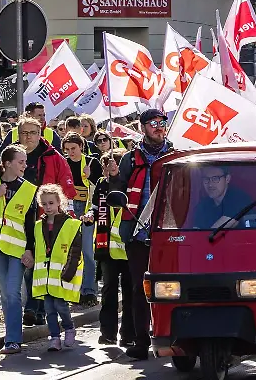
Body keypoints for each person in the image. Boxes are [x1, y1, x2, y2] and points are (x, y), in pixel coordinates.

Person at [111, 109, 174, 360]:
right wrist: (114, 178)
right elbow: (119, 193)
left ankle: (173, 336)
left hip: (170, 233)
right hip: (138, 232)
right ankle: (140, 340)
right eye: (154, 123)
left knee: (171, 287)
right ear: (143, 127)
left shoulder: (175, 154)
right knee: (140, 289)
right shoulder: (129, 158)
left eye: (162, 123)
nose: (159, 127)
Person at [0, 144, 38, 355]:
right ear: (7, 164)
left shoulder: (29, 189)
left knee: (13, 293)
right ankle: (11, 335)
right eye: (20, 162)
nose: (25, 165)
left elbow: (31, 225)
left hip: (18, 249)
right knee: (5, 294)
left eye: (24, 161)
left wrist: (31, 250)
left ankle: (13, 340)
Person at [17, 117, 75, 326]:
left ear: (40, 133)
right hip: (21, 218)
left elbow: (67, 187)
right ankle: (36, 309)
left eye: (32, 132)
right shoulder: (14, 156)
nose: (28, 137)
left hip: (46, 218)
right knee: (29, 263)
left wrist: (62, 215)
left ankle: (35, 309)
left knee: (41, 264)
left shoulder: (53, 157)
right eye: (24, 133)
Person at [87, 149, 134, 347]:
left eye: (113, 165)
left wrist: (116, 177)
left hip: (129, 247)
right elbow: (96, 207)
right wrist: (90, 215)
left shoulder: (130, 184)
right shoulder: (100, 184)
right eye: (106, 166)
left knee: (131, 292)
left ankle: (129, 334)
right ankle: (108, 333)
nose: (109, 169)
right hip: (107, 246)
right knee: (108, 291)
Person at [33, 183, 83, 352]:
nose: (48, 207)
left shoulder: (71, 224)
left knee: (61, 306)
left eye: (51, 203)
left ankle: (69, 328)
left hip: (62, 276)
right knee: (49, 309)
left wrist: (69, 271)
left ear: (59, 202)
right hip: (46, 278)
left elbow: (75, 250)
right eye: (45, 204)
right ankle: (54, 337)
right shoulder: (39, 226)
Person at [61, 133, 101, 307]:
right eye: (67, 149)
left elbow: (101, 186)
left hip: (88, 211)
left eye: (74, 149)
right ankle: (72, 290)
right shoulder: (63, 163)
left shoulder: (92, 162)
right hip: (69, 210)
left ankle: (89, 291)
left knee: (87, 252)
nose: (71, 152)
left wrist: (91, 176)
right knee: (70, 253)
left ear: (81, 147)